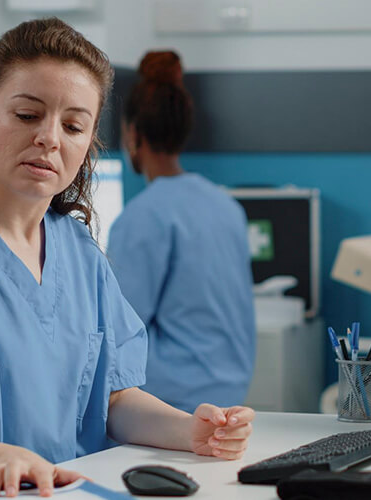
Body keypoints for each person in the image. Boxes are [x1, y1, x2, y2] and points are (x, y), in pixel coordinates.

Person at [0, 19, 254, 500]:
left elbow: (114, 399)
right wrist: (4, 460)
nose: (49, 138)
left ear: (87, 144)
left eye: (73, 126)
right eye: (27, 115)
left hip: (60, 490)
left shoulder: (79, 253)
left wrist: (190, 430)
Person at [107, 51, 255, 413]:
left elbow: (117, 330)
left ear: (133, 135)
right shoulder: (228, 207)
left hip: (172, 398)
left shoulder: (142, 216)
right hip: (231, 390)